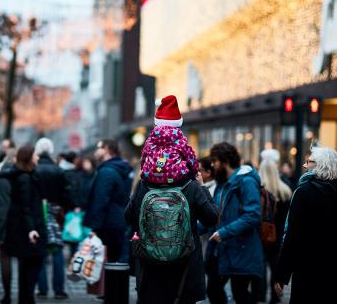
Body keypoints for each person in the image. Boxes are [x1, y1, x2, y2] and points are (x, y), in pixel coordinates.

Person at [126, 124, 218, 304]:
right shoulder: (191, 186)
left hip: (150, 265)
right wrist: (203, 188)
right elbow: (211, 218)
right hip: (185, 267)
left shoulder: (144, 185)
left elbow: (128, 217)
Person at [274, 146, 337, 304]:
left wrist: (281, 275)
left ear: (319, 165)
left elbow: (292, 237)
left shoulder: (303, 193)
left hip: (309, 273)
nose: (305, 165)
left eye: (309, 162)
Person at [206, 142, 264, 304]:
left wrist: (224, 232)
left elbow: (252, 215)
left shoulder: (246, 181)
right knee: (213, 289)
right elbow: (215, 215)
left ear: (225, 161)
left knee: (240, 294)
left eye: (215, 161)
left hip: (242, 249)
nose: (213, 165)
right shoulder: (222, 184)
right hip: (223, 249)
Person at [0, 145, 47, 304]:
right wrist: (32, 229)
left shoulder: (25, 175)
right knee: (32, 267)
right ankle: (26, 300)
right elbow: (26, 206)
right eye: (35, 155)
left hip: (21, 228)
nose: (38, 157)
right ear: (28, 157)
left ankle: (25, 299)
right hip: (28, 229)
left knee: (26, 269)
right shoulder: (25, 178)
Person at [83, 139, 133, 263]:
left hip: (107, 225)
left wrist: (95, 228)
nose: (96, 151)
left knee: (108, 263)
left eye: (99, 148)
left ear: (107, 149)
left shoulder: (106, 171)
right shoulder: (120, 168)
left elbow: (101, 201)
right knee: (116, 262)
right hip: (118, 221)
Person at [34, 137, 70, 300]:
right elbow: (66, 194)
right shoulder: (59, 170)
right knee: (57, 251)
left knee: (40, 251)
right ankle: (59, 290)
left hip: (39, 213)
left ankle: (42, 288)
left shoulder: (34, 170)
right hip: (56, 214)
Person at [140, 95, 199, 185]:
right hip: (177, 179)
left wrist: (144, 169)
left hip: (151, 178)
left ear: (157, 123)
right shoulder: (180, 141)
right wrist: (194, 172)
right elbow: (191, 159)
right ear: (177, 125)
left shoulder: (150, 141)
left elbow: (143, 159)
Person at [258, 157, 292, 304]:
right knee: (275, 265)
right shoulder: (285, 191)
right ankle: (274, 296)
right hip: (277, 235)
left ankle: (259, 295)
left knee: (261, 264)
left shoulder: (259, 190)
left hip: (261, 234)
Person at [0, 147, 17, 303]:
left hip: (0, 218)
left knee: (4, 257)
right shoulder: (20, 174)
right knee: (22, 257)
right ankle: (23, 294)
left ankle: (6, 295)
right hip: (16, 218)